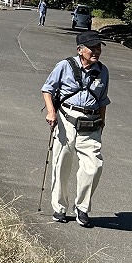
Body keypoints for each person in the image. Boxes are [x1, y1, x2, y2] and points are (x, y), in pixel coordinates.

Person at [42, 30, 110, 227]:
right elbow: (47, 89)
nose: (96, 51)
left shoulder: (103, 71)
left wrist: (102, 122)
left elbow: (103, 99)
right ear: (80, 50)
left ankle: (82, 207)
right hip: (66, 119)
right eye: (92, 48)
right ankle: (59, 207)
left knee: (94, 166)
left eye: (98, 47)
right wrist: (51, 112)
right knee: (61, 163)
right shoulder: (65, 66)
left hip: (91, 122)